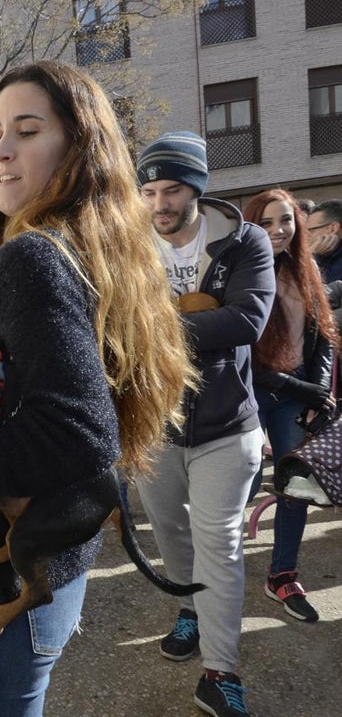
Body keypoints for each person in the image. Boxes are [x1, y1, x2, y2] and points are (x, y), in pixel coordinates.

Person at [0, 61, 194, 715]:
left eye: (26, 130)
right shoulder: (71, 250)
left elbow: (80, 427)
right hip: (41, 569)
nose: (0, 153)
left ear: (78, 150)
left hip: (6, 588)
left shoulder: (36, 256)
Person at [136, 130, 275, 717]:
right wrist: (195, 317)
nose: (159, 203)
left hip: (227, 424)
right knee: (171, 534)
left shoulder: (246, 242)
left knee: (220, 544)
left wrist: (152, 330)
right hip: (154, 426)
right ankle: (190, 609)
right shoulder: (128, 246)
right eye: (148, 190)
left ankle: (220, 671)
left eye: (171, 189)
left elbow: (247, 322)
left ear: (195, 188)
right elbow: (105, 324)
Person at [243, 188, 337, 623]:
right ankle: (208, 586)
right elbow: (246, 354)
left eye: (285, 220)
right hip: (250, 392)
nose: (277, 230)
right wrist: (306, 391)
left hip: (295, 395)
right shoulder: (241, 269)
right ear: (250, 226)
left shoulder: (307, 267)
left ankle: (282, 574)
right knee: (232, 491)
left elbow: (320, 336)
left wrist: (319, 390)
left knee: (294, 483)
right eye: (265, 222)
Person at [307, 199, 342, 283]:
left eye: (310, 230)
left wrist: (311, 258)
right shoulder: (322, 255)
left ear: (333, 228)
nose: (305, 237)